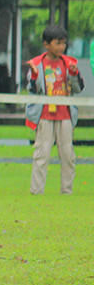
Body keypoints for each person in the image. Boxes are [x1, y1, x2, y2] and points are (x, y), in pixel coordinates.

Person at [26, 24, 84, 195]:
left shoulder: (69, 63)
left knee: (67, 155)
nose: (61, 47)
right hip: (44, 115)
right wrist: (35, 75)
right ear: (46, 44)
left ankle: (67, 191)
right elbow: (32, 88)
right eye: (57, 43)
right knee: (41, 154)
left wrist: (73, 75)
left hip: (65, 115)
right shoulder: (37, 63)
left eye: (63, 43)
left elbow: (78, 88)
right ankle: (37, 191)